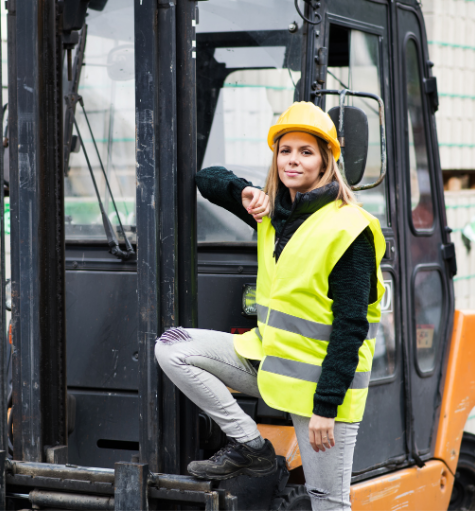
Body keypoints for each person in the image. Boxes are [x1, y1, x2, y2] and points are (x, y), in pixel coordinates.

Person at [155, 101, 386, 510]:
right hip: (273, 361)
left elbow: (352, 325)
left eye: (305, 152)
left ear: (326, 161)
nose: (292, 160)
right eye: (285, 150)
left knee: (328, 500)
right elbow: (205, 178)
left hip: (323, 386)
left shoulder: (349, 228)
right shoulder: (274, 214)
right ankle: (250, 445)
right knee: (173, 347)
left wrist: (325, 408)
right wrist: (243, 192)